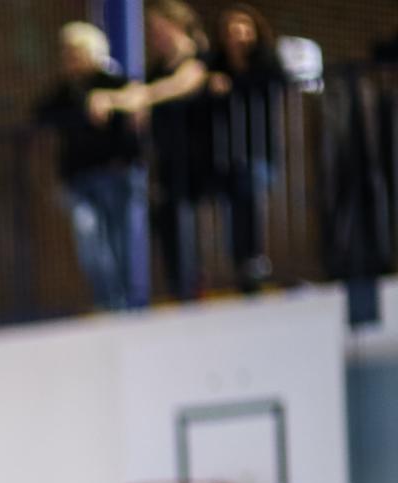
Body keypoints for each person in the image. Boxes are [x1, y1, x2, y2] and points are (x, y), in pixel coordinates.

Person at [99, 0, 211, 301]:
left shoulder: (200, 59)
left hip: (200, 157)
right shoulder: (156, 70)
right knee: (167, 221)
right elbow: (138, 95)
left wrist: (137, 99)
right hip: (167, 159)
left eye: (159, 28)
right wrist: (114, 100)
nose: (154, 36)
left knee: (191, 221)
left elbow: (181, 84)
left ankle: (198, 284)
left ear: (178, 25)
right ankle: (180, 287)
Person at [35, 23, 147, 310]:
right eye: (67, 53)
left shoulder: (113, 82)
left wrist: (111, 102)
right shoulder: (65, 92)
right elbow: (41, 115)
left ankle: (126, 300)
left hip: (115, 172)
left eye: (76, 52)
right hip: (79, 178)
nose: (70, 59)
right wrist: (81, 109)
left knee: (120, 239)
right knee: (88, 238)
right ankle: (107, 300)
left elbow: (137, 106)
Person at [206, 4, 288, 291]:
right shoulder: (214, 65)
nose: (238, 36)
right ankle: (241, 266)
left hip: (259, 149)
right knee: (232, 211)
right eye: (231, 31)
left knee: (253, 199)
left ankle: (257, 260)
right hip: (225, 154)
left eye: (244, 29)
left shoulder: (266, 62)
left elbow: (277, 83)